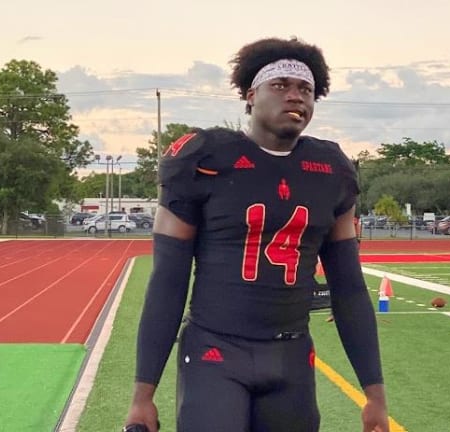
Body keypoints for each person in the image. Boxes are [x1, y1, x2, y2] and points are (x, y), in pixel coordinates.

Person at [123, 36, 389, 432]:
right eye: (280, 85)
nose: (295, 96)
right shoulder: (206, 158)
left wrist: (375, 395)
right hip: (215, 351)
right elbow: (168, 280)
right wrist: (142, 395)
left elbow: (348, 287)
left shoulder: (331, 170)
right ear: (250, 96)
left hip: (291, 355)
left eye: (306, 89)